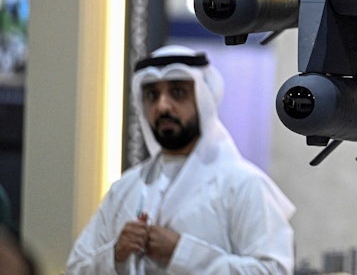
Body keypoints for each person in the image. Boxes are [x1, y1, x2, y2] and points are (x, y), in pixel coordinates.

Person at [66, 45, 296, 274]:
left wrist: (181, 253)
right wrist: (115, 255)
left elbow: (273, 270)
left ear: (203, 99)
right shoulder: (125, 189)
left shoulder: (243, 185)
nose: (162, 106)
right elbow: (76, 268)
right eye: (152, 95)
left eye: (177, 92)